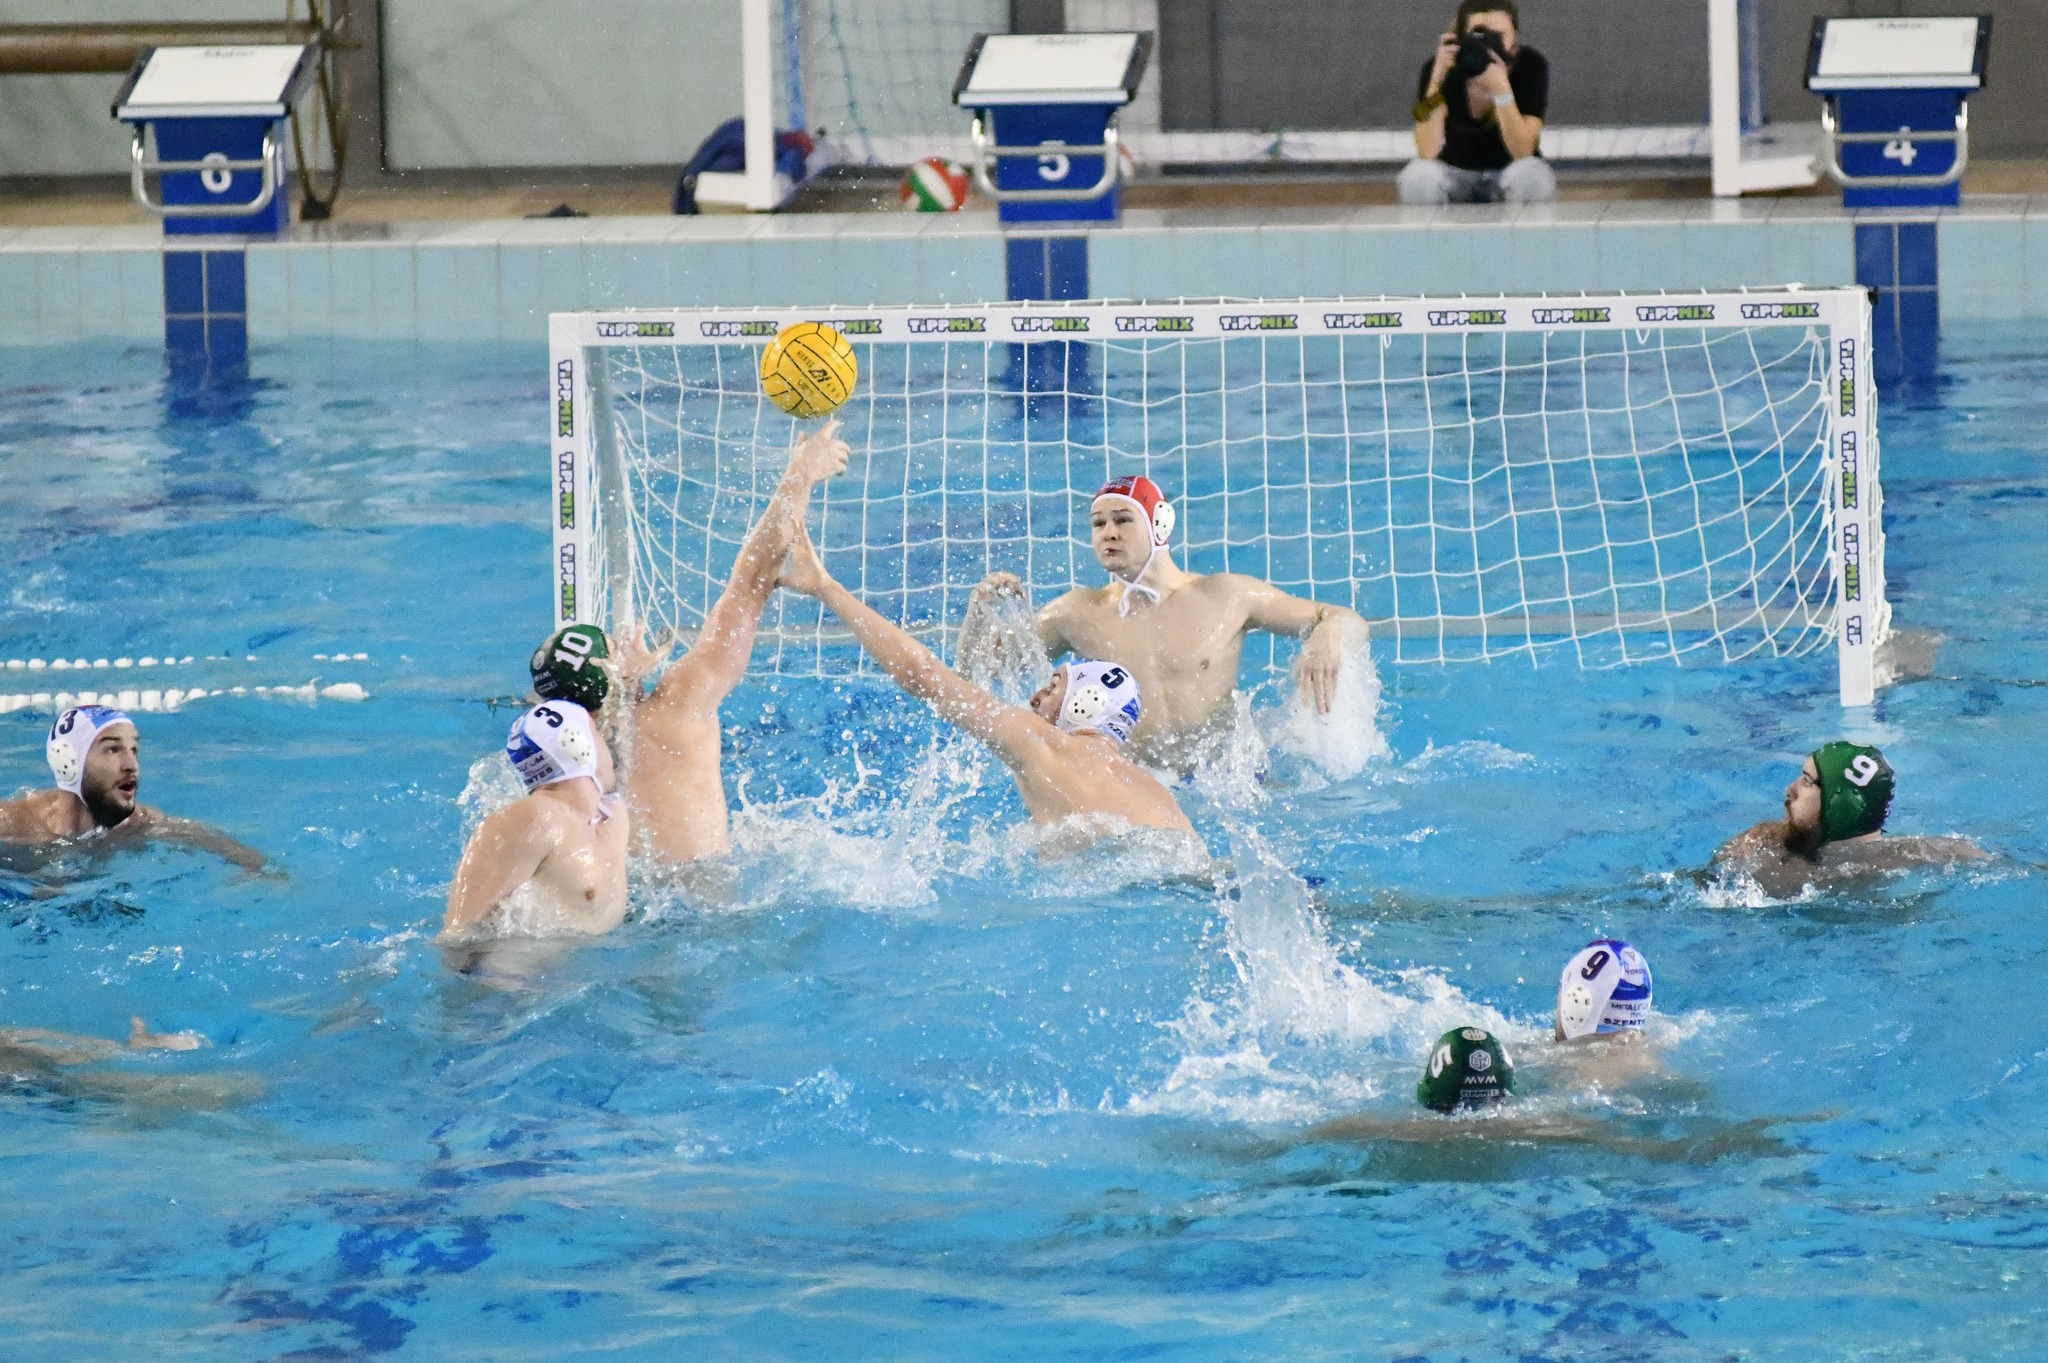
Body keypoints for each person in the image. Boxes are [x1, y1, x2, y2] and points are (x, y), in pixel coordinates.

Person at [778, 522, 1197, 854]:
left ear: (1086, 702)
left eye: (1055, 685)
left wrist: (827, 588)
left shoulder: (1043, 743)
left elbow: (924, 676)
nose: (1036, 696)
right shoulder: (1157, 792)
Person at [959, 475, 1371, 770]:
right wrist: (978, 613)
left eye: (1123, 519)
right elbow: (975, 674)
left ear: (1159, 524)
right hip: (1141, 788)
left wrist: (1327, 636)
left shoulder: (1226, 595)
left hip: (1227, 781)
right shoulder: (1076, 613)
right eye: (1098, 524)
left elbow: (1344, 618)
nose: (1108, 533)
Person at [612, 420, 851, 864]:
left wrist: (620, 686)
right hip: (708, 890)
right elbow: (751, 584)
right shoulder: (677, 704)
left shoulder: (558, 749)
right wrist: (801, 473)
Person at [0, 705, 269, 873]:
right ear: (68, 761)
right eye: (113, 749)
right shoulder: (13, 824)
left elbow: (228, 849)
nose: (132, 765)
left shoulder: (138, 824)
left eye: (134, 749)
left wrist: (256, 870)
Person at [443, 700, 628, 939]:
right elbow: (459, 937)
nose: (606, 744)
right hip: (520, 964)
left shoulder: (612, 815)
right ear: (578, 745)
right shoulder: (536, 819)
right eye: (596, 732)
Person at [1711, 741, 1988, 898]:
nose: (1789, 789)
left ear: (1841, 805)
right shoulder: (1760, 845)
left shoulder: (1924, 855)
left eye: (1807, 781)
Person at [1399, 1, 1555, 206]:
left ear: (1514, 38)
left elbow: (1523, 151)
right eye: (1479, 35)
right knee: (1417, 176)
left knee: (1532, 177)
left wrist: (1501, 90)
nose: (1488, 44)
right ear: (1461, 37)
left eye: (1498, 36)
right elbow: (1427, 151)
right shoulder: (1440, 68)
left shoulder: (1529, 65)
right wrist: (1437, 80)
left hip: (1508, 171)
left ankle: (1520, 227)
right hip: (1456, 172)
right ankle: (1434, 228)